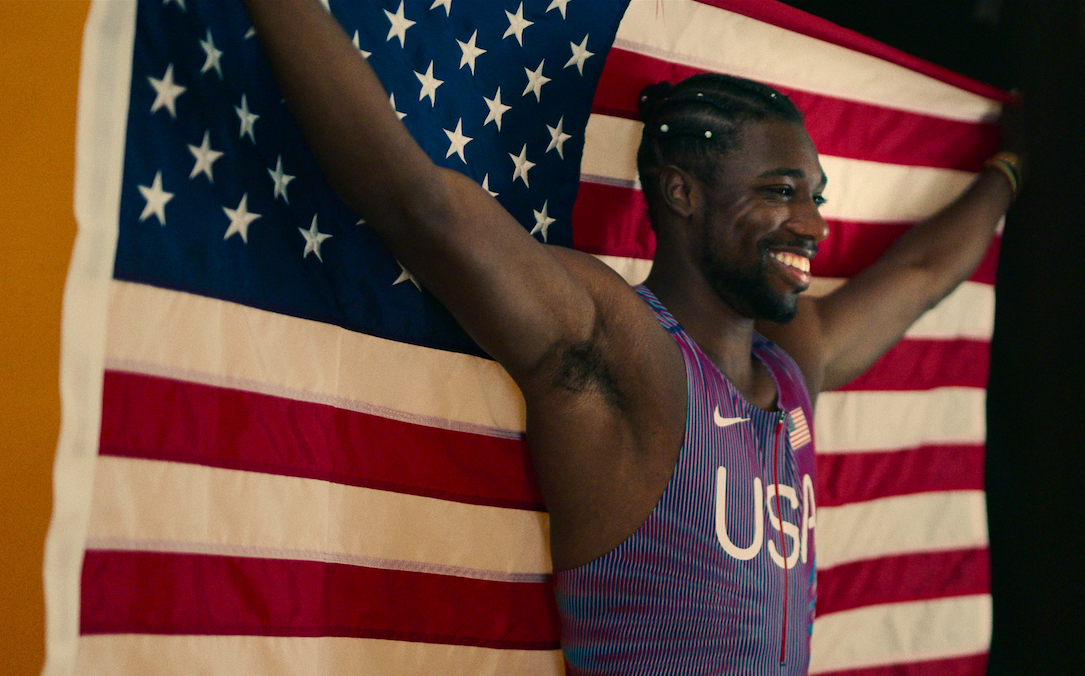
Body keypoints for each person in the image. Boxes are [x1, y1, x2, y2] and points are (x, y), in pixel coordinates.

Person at [242, 1, 1020, 673]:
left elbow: (921, 273)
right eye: (780, 193)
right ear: (680, 192)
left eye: (816, 196)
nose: (813, 224)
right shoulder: (618, 345)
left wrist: (1014, 167)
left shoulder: (793, 370)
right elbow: (420, 205)